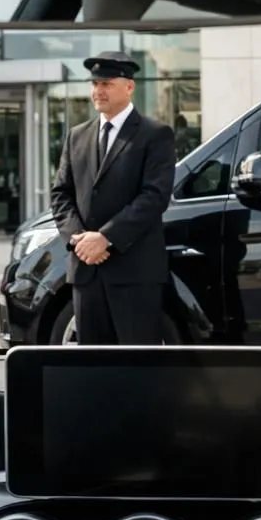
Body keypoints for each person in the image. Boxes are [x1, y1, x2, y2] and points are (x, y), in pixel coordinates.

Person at [49, 51, 176, 344]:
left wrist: (105, 238)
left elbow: (155, 197)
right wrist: (80, 240)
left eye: (106, 83)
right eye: (94, 84)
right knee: (92, 367)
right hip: (87, 271)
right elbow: (61, 194)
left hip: (134, 273)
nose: (97, 91)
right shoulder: (77, 135)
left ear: (129, 87)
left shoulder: (155, 134)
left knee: (136, 364)